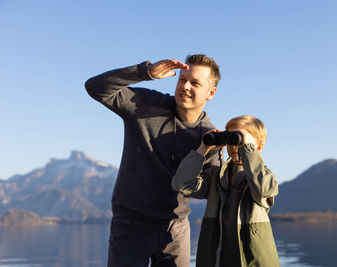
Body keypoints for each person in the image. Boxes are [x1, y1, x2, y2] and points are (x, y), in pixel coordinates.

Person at [85, 54, 223, 267]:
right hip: (131, 225)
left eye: (195, 83)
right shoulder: (146, 104)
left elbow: (208, 191)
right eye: (182, 79)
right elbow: (95, 87)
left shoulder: (209, 137)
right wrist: (144, 72)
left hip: (175, 228)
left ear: (210, 93)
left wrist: (209, 153)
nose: (185, 86)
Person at [171, 115, 280, 267]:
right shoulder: (216, 175)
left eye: (239, 139)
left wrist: (247, 149)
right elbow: (181, 183)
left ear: (259, 147)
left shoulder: (264, 176)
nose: (234, 146)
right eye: (231, 139)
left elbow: (263, 189)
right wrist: (203, 148)